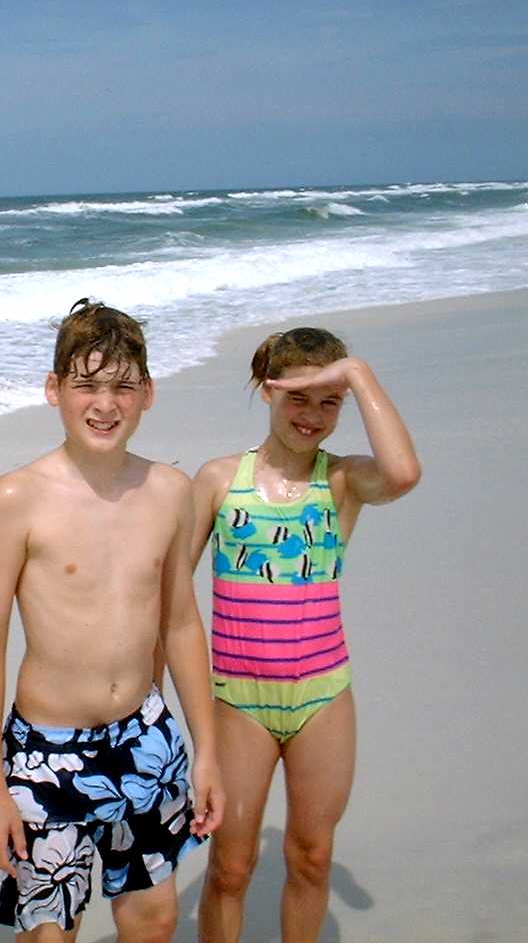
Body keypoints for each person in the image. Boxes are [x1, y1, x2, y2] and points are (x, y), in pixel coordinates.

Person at [0, 299, 224, 942]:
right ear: (54, 390)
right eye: (86, 384)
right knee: (50, 931)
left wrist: (208, 751)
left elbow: (183, 624)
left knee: (154, 919)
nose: (104, 403)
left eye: (122, 386)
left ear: (147, 395)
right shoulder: (15, 498)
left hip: (147, 737)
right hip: (47, 755)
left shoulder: (169, 491)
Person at [192, 327, 420, 943]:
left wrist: (361, 375)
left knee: (312, 855)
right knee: (232, 867)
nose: (312, 416)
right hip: (240, 700)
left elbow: (402, 473)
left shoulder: (342, 481)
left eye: (329, 402)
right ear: (269, 392)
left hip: (323, 696)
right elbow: (170, 595)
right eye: (299, 398)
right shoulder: (218, 481)